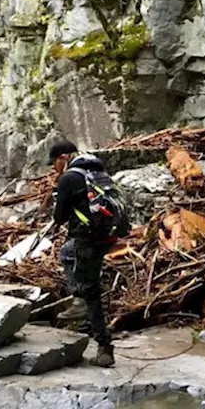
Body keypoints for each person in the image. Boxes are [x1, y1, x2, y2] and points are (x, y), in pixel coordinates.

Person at [48, 140, 129, 368]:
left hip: (88, 239)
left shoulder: (69, 177)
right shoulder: (98, 172)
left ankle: (104, 348)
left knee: (89, 294)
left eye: (54, 163)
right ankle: (83, 315)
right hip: (107, 236)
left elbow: (59, 217)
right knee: (67, 253)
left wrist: (59, 193)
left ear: (64, 157)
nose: (54, 168)